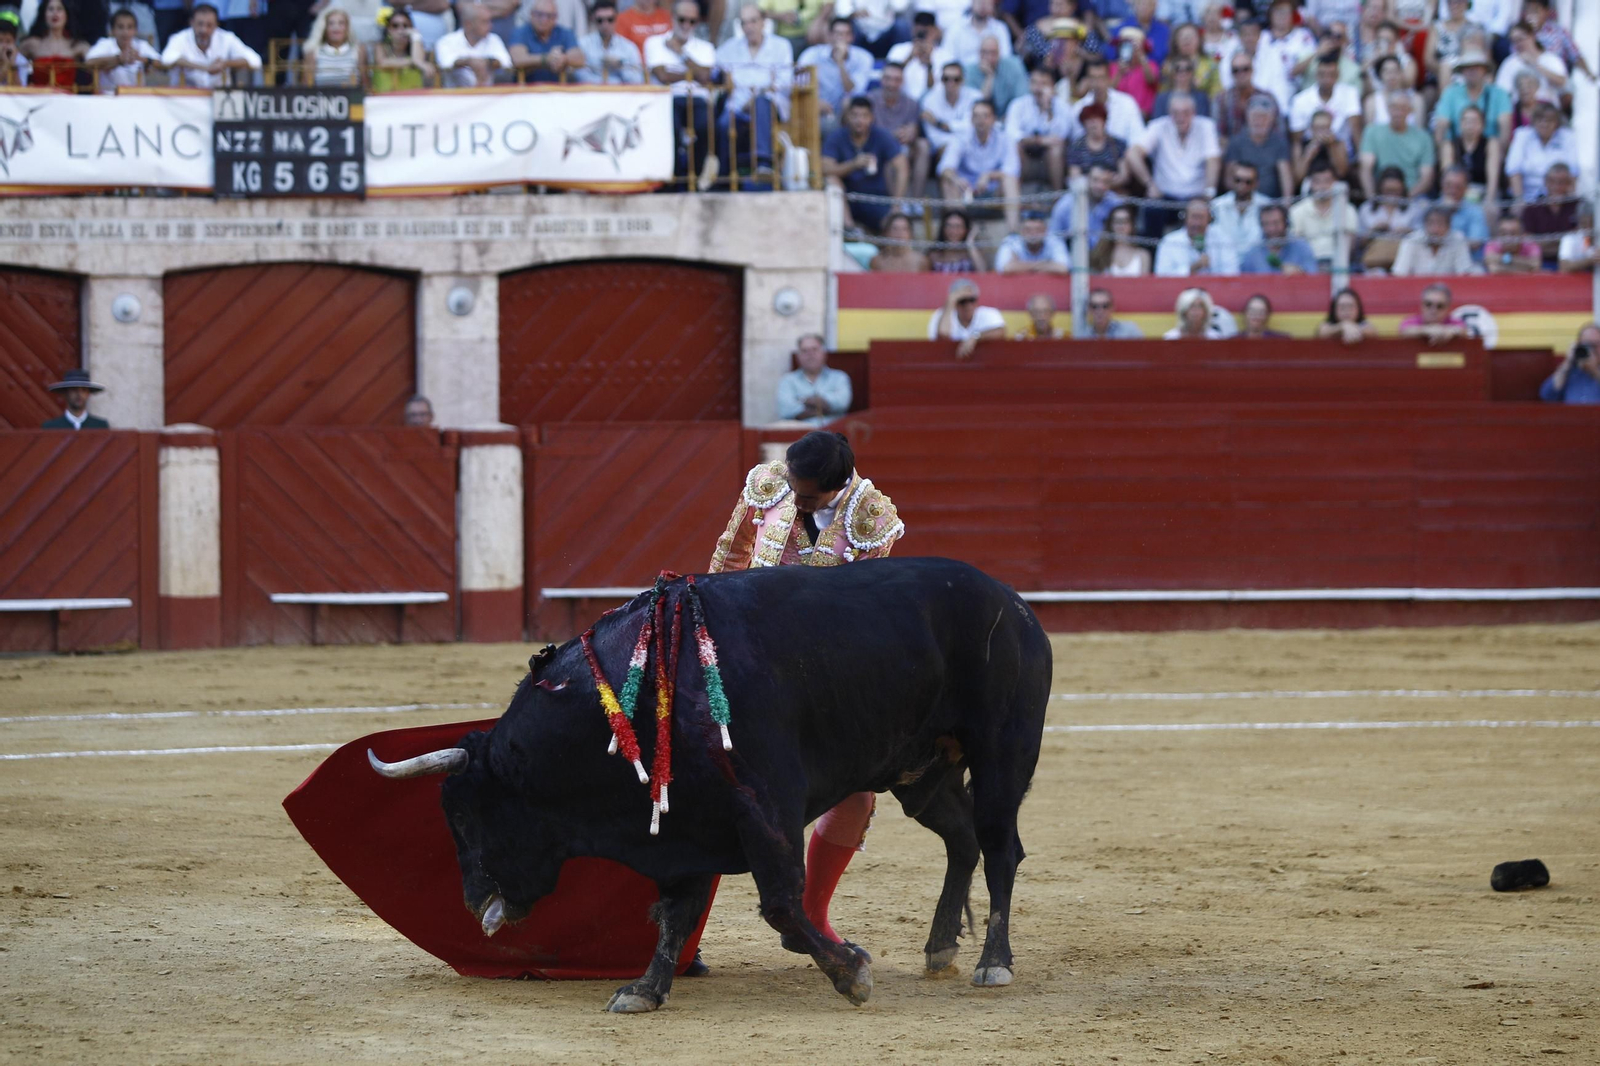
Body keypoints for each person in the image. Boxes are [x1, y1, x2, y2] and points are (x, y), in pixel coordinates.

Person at [705, 431, 902, 949]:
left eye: (808, 497)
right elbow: (730, 557)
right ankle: (686, 935)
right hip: (746, 660)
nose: (794, 500)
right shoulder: (769, 482)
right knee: (707, 783)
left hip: (819, 677)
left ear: (836, 487)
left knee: (856, 794)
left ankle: (810, 918)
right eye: (792, 487)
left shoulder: (873, 518)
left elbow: (863, 611)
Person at [646, 2, 720, 189]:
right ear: (672, 18)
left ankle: (691, 178)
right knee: (670, 129)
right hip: (666, 98)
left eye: (692, 21)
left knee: (707, 127)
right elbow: (662, 76)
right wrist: (693, 73)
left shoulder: (706, 47)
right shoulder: (654, 42)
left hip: (697, 99)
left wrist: (680, 53)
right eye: (682, 20)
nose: (686, 25)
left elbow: (706, 77)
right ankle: (671, 179)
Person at [717, 5, 793, 171]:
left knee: (760, 103)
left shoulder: (781, 46)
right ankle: (725, 176)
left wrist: (756, 96)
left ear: (763, 22)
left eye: (753, 21)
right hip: (738, 107)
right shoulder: (729, 48)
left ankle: (763, 163)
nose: (749, 27)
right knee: (723, 124)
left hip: (770, 104)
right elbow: (716, 69)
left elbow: (784, 81)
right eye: (744, 23)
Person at [823, 96, 908, 234]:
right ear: (847, 117)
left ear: (871, 118)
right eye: (855, 115)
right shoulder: (837, 137)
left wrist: (896, 205)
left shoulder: (881, 135)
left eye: (864, 116)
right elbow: (825, 169)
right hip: (848, 200)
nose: (859, 120)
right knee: (831, 179)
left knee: (895, 226)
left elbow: (902, 167)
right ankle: (851, 230)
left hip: (877, 200)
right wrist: (853, 164)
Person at [937, 99, 1021, 233]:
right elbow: (944, 167)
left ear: (993, 119)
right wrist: (956, 179)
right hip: (965, 193)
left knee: (1010, 180)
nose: (980, 120)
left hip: (994, 191)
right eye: (976, 116)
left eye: (985, 116)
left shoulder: (1005, 138)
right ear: (971, 119)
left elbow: (1012, 169)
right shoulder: (960, 137)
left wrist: (989, 175)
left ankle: (1013, 233)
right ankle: (960, 234)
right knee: (948, 181)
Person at [797, 17, 875, 128]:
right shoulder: (811, 55)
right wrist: (815, 102)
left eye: (846, 34)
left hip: (847, 113)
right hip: (817, 109)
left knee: (848, 103)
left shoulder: (864, 57)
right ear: (829, 36)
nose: (841, 38)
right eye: (838, 34)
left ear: (852, 37)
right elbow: (799, 85)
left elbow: (853, 91)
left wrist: (840, 62)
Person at [160, 2, 261, 87]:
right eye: (200, 24)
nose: (204, 30)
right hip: (186, 99)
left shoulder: (226, 38)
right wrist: (205, 68)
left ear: (216, 25)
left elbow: (255, 60)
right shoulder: (180, 38)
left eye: (209, 25)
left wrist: (225, 64)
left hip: (220, 98)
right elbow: (167, 59)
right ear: (191, 23)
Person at [1359, 90, 1435, 200]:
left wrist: (1406, 199)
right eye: (1394, 107)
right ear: (1387, 109)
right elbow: (1366, 168)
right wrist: (1372, 198)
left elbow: (1426, 177)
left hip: (1412, 195)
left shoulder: (1423, 137)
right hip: (1381, 193)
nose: (1398, 112)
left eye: (1403, 108)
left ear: (1410, 111)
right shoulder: (1372, 132)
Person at [1008, 66, 1072, 191]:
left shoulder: (1062, 106)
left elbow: (1062, 135)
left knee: (1056, 149)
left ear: (1052, 86)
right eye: (1034, 82)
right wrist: (1039, 140)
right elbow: (1012, 134)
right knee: (1015, 147)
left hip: (1050, 157)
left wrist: (1048, 109)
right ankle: (1016, 194)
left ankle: (1057, 195)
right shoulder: (1018, 104)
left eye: (1043, 84)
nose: (1038, 88)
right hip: (1026, 154)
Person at [869, 62, 928, 194]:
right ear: (881, 80)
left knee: (922, 146)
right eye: (888, 79)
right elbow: (866, 133)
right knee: (892, 154)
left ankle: (917, 199)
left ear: (902, 82)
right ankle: (895, 202)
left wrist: (913, 131)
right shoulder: (870, 101)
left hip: (904, 147)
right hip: (877, 150)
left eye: (896, 80)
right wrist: (891, 136)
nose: (892, 84)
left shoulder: (912, 104)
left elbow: (914, 129)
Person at [1504, 103, 1577, 205]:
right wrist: (1519, 200)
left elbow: (1574, 170)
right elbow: (1513, 169)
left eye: (1549, 120)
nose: (1544, 124)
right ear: (1534, 121)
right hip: (1527, 198)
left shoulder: (1567, 136)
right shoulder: (1522, 135)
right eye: (1540, 120)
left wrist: (1569, 202)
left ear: (1557, 122)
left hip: (1559, 199)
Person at [1223, 94, 1293, 199]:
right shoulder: (1236, 142)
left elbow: (1285, 175)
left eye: (1264, 117)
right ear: (1247, 117)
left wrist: (1286, 202)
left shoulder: (1279, 142)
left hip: (1271, 201)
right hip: (1243, 200)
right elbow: (1228, 178)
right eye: (1255, 116)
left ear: (1272, 119)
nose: (1259, 121)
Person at [1290, 53, 1362, 152]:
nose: (1327, 79)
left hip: (1341, 150)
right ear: (1316, 75)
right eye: (1322, 74)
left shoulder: (1350, 93)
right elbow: (1297, 141)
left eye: (1331, 75)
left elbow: (1355, 128)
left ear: (1337, 75)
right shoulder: (1300, 100)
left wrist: (1361, 157)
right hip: (1312, 149)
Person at [1431, 50, 1508, 143]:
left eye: (1476, 67)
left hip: (1490, 148)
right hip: (1457, 148)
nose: (1472, 71)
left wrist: (1496, 151)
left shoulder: (1500, 94)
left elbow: (1505, 130)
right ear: (1462, 72)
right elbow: (1441, 126)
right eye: (1467, 68)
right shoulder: (1450, 93)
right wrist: (1444, 149)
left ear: (1485, 70)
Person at [1066, 56, 1146, 145]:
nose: (1097, 84)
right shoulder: (1078, 108)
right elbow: (1076, 143)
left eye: (1101, 78)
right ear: (1087, 80)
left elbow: (1138, 140)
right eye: (1093, 78)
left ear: (1109, 79)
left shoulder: (1127, 104)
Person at [1288, 162, 1357, 265]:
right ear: (1310, 183)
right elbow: (1296, 246)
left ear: (1335, 182)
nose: (1322, 186)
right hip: (1307, 266)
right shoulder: (1297, 211)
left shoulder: (1348, 210)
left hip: (1339, 264)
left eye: (1327, 181)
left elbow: (1350, 245)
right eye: (1317, 182)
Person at [775, 334, 853, 424]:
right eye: (804, 351)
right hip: (801, 431)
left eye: (814, 349)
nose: (810, 354)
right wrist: (823, 407)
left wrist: (803, 401)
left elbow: (842, 404)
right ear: (798, 356)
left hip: (833, 430)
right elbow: (786, 411)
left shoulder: (839, 378)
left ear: (824, 353)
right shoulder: (787, 381)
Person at [1359, 166, 1423, 270]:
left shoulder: (1413, 209)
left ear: (1403, 189)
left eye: (1396, 191)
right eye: (1388, 191)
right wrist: (1374, 231)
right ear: (1380, 188)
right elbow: (1359, 243)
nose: (1392, 195)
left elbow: (1422, 237)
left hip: (1405, 261)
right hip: (1374, 261)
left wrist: (1407, 232)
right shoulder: (1367, 208)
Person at [1155, 196, 1239, 276]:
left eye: (1201, 217)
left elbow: (1232, 274)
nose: (1197, 223)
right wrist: (1192, 268)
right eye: (1194, 217)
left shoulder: (1223, 240)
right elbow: (1161, 276)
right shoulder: (1169, 242)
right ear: (1185, 218)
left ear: (1209, 219)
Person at [433, 2, 511, 87]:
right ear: (468, 24)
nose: (490, 26)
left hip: (489, 93)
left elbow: (506, 63)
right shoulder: (446, 41)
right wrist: (469, 62)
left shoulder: (494, 39)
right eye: (484, 22)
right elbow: (446, 64)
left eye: (490, 21)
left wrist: (487, 62)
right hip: (455, 93)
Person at [85, 7, 162, 91]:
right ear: (112, 30)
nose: (125, 32)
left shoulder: (141, 45)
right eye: (120, 27)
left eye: (130, 27)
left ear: (135, 30)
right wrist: (118, 59)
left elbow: (162, 64)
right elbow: (88, 63)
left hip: (137, 96)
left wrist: (143, 59)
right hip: (109, 96)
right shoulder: (105, 43)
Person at [1437, 104, 1499, 207]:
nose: (1470, 125)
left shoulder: (1491, 144)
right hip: (1455, 192)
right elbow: (1447, 178)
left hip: (1483, 192)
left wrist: (1489, 200)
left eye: (1474, 121)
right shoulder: (1450, 145)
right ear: (1460, 124)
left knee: (1491, 210)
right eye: (1466, 121)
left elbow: (1493, 180)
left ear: (1482, 125)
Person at [929, 278, 1007, 359]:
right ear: (954, 303)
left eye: (972, 300)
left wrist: (975, 337)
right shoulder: (941, 315)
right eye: (962, 301)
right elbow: (943, 336)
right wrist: (949, 303)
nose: (968, 305)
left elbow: (1000, 331)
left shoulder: (989, 313)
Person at [510, 0, 586, 82]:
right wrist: (545, 59)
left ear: (555, 18)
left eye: (549, 16)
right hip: (526, 88)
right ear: (531, 14)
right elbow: (517, 60)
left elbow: (580, 59)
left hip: (558, 88)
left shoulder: (565, 33)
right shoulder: (521, 32)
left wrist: (564, 58)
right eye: (539, 14)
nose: (544, 20)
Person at [1050, 163, 1123, 247]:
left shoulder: (1116, 203)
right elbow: (1054, 236)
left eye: (1105, 182)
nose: (1100, 186)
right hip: (1072, 251)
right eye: (1095, 180)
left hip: (1106, 251)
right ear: (1087, 178)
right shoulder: (1066, 203)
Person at [885, 11, 952, 101]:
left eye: (925, 32)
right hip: (901, 102)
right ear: (913, 30)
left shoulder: (946, 56)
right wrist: (909, 57)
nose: (921, 36)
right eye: (919, 32)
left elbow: (935, 89)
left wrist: (929, 65)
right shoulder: (898, 50)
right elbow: (889, 79)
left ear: (935, 31)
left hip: (932, 103)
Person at [1495, 21, 1565, 107]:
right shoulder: (1509, 63)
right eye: (1514, 41)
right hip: (1519, 110)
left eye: (1520, 39)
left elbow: (1562, 82)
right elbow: (1502, 92)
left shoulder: (1550, 59)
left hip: (1546, 108)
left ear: (1532, 36)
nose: (1518, 44)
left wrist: (1535, 64)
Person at [1521, 162, 1578, 269]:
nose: (1556, 186)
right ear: (1545, 182)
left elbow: (1581, 239)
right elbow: (1528, 243)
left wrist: (1544, 242)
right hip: (1540, 262)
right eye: (1552, 181)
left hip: (1573, 262)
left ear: (1569, 183)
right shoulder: (1533, 208)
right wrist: (1563, 241)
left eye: (1562, 182)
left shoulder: (1578, 206)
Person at [1392, 205, 1477, 276]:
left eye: (1440, 224)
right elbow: (1400, 273)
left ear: (1449, 226)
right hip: (1415, 288)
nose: (1435, 229)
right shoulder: (1411, 240)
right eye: (1431, 223)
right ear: (1424, 225)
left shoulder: (1458, 240)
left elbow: (1464, 273)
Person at [920, 61, 980, 158]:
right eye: (946, 79)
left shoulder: (975, 97)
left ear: (963, 80)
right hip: (943, 148)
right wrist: (955, 139)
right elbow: (933, 136)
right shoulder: (929, 100)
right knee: (952, 148)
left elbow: (973, 126)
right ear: (941, 80)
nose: (950, 83)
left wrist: (940, 124)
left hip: (973, 146)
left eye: (956, 79)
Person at [21, 0, 87, 87]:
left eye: (59, 9)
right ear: (44, 14)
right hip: (39, 95)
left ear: (66, 14)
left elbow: (96, 63)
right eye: (51, 9)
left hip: (67, 95)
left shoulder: (77, 45)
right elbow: (14, 62)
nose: (55, 13)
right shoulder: (32, 44)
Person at [1241, 202, 1318, 275]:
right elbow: (1243, 281)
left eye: (1276, 223)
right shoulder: (1252, 254)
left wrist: (1300, 273)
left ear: (1286, 223)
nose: (1271, 229)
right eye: (1266, 224)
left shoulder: (1302, 248)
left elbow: (1313, 276)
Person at [578, 0, 643, 84]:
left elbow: (637, 80)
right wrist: (611, 84)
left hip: (622, 92)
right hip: (593, 91)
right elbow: (581, 76)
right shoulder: (583, 44)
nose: (605, 25)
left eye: (610, 19)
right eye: (600, 20)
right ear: (593, 19)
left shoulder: (629, 47)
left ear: (616, 18)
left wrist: (620, 66)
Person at [368, 7, 434, 90]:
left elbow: (419, 60)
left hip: (412, 96)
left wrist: (416, 36)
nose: (401, 30)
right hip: (384, 96)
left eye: (405, 26)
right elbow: (382, 62)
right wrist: (413, 61)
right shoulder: (380, 46)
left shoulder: (416, 46)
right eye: (395, 26)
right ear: (388, 29)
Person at [1210, 160, 1268, 253]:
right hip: (1224, 258)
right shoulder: (1216, 205)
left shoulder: (1267, 206)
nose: (1242, 185)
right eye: (1238, 180)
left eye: (1248, 182)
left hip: (1257, 259)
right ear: (1231, 180)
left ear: (1256, 183)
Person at [1066, 102, 1128, 187]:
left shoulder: (1117, 144)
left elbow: (1123, 176)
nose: (1093, 123)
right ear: (1083, 124)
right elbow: (1075, 176)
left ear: (1104, 121)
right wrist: (1096, 181)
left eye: (1097, 118)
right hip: (1086, 191)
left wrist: (1105, 183)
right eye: (1089, 120)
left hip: (1113, 189)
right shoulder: (1076, 146)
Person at [965, 33, 1027, 116]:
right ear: (979, 53)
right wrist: (989, 77)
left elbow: (1022, 99)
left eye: (993, 53)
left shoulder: (1014, 65)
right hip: (981, 120)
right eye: (984, 52)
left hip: (1010, 117)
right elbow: (975, 108)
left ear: (999, 53)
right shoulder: (969, 71)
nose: (989, 57)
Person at [1538, 325, 1600, 405]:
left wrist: (1594, 370)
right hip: (1571, 413)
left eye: (1595, 345)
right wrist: (1568, 362)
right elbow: (1546, 395)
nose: (1591, 349)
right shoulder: (1569, 372)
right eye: (1587, 344)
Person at [1292, 107, 1351, 187]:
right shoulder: (1300, 145)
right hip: (1310, 186)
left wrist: (1332, 147)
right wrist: (1308, 155)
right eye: (1318, 128)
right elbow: (1297, 179)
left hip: (1333, 186)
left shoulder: (1338, 144)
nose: (1321, 132)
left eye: (1325, 128)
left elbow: (1342, 173)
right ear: (1311, 128)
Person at [995, 212, 1070, 275]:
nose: (1033, 234)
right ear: (1021, 231)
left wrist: (1019, 265)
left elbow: (1063, 268)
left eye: (1038, 230)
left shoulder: (1054, 241)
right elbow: (1004, 268)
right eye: (1028, 230)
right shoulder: (1011, 242)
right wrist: (1046, 265)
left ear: (1045, 231)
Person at [1088, 202, 1151, 276]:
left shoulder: (1143, 255)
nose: (1121, 226)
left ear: (1132, 225)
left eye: (1125, 221)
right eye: (1117, 221)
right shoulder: (1100, 254)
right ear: (1110, 225)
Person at [305, 8, 364, 85]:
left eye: (341, 23)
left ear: (347, 27)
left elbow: (365, 86)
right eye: (331, 23)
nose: (336, 27)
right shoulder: (313, 52)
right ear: (324, 28)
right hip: (321, 93)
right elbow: (306, 87)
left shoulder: (358, 51)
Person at [1398, 282, 1468, 345]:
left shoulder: (1454, 321)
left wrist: (1452, 331)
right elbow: (1404, 331)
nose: (1433, 310)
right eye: (1428, 304)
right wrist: (1429, 330)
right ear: (1421, 305)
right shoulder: (1411, 321)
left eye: (1440, 306)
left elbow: (1464, 331)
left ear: (1448, 308)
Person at [945, 0, 1011, 66]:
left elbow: (1005, 57)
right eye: (979, 2)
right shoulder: (956, 28)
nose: (982, 6)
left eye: (986, 3)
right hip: (962, 70)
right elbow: (948, 57)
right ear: (972, 3)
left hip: (993, 70)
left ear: (992, 5)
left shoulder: (1000, 29)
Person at [42, 369, 109, 430]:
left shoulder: (100, 426)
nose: (79, 394)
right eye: (74, 390)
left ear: (88, 394)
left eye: (83, 390)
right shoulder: (51, 427)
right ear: (65, 393)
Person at [1075, 286, 1144, 338]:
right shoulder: (1083, 336)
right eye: (1094, 306)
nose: (1100, 311)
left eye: (1105, 306)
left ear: (1112, 308)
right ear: (1089, 310)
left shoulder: (1130, 331)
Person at [1557, 206, 1599, 275]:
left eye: (1592, 223)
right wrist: (1591, 260)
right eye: (1584, 223)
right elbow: (1563, 266)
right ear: (1579, 222)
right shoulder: (1570, 238)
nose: (1588, 227)